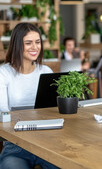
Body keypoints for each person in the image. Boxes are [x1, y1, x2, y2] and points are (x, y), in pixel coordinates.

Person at [0, 23, 58, 169]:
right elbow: (3, 113)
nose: (35, 47)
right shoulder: (3, 73)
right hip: (16, 146)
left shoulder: (46, 71)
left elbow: (53, 110)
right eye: (28, 43)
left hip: (48, 143)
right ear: (17, 45)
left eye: (37, 42)